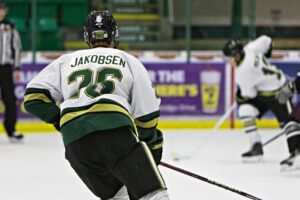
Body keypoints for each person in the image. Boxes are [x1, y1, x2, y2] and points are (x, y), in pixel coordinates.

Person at [24, 10, 170, 200]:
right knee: (155, 196)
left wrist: (61, 121)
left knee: (119, 197)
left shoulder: (66, 61)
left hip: (75, 143)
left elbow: (33, 98)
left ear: (87, 35)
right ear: (114, 34)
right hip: (115, 135)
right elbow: (147, 115)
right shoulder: (128, 60)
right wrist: (151, 151)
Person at [222, 35, 292, 163]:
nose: (228, 61)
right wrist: (268, 55)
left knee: (290, 124)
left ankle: (296, 152)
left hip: (281, 92)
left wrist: (240, 96)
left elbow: (251, 95)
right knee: (245, 110)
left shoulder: (242, 73)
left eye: (229, 58)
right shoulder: (250, 48)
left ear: (237, 56)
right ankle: (256, 146)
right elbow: (267, 40)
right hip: (266, 92)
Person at [0, 1, 24, 142]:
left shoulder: (10, 27)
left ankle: (11, 129)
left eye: (2, 9)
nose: (0, 12)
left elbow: (16, 48)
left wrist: (16, 68)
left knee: (10, 99)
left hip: (5, 68)